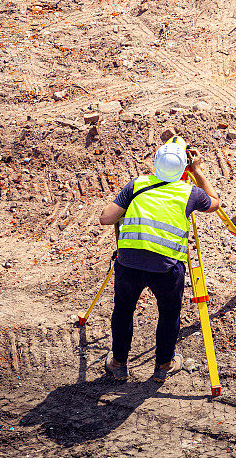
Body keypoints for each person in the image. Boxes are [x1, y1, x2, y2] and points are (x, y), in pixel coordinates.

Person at [99, 136, 220, 382]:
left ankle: (118, 363)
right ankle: (164, 365)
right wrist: (197, 171)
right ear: (184, 166)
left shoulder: (137, 185)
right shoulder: (190, 192)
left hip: (129, 263)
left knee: (123, 309)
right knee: (169, 313)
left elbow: (106, 218)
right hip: (166, 267)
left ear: (155, 163)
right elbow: (215, 204)